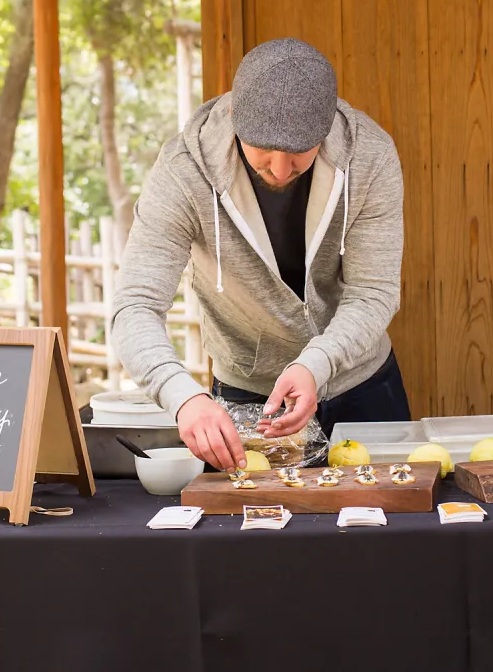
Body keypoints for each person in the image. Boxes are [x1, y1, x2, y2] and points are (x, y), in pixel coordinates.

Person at [111, 37, 409, 472]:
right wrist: (182, 396)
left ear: (327, 127)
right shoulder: (182, 171)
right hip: (247, 394)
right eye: (263, 152)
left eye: (298, 153)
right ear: (234, 117)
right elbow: (135, 304)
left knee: (390, 533)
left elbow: (374, 292)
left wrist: (316, 365)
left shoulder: (370, 155)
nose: (280, 169)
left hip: (361, 381)